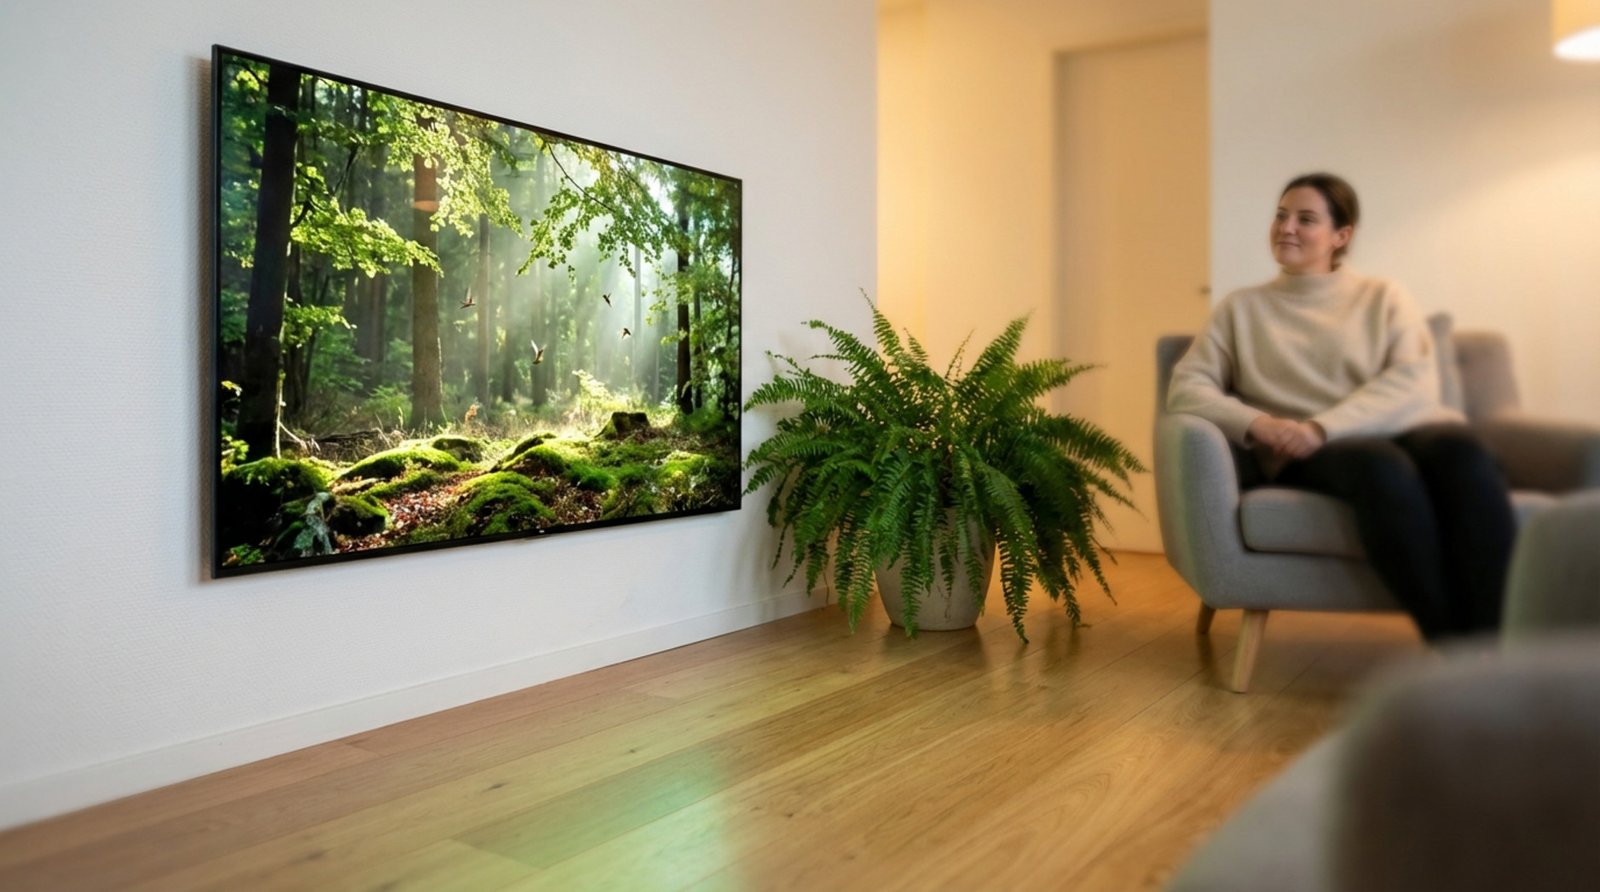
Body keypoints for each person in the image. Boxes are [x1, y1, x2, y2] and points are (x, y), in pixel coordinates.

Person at [1166, 172, 1515, 640]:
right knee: (1380, 466)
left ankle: (1501, 644)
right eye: (1281, 215)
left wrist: (1323, 426)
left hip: (1396, 427)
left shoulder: (1384, 296)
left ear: (1341, 235)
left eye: (1306, 219)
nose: (1287, 227)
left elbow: (1414, 382)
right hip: (1308, 453)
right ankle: (1456, 646)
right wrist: (1259, 424)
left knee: (1465, 454)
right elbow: (1186, 386)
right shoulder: (1241, 309)